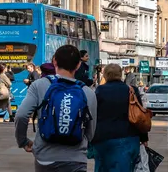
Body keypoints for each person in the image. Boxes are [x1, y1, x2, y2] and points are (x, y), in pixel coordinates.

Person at [15, 44, 98, 172]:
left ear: (54, 61)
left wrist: (23, 141)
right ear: (78, 65)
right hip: (75, 159)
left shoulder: (39, 85)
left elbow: (21, 115)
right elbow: (90, 131)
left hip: (45, 157)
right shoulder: (88, 92)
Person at [89, 62, 142, 172]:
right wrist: (144, 138)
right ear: (120, 74)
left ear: (106, 75)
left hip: (104, 138)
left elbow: (93, 115)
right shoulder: (132, 90)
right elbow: (139, 115)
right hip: (128, 137)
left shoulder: (100, 90)